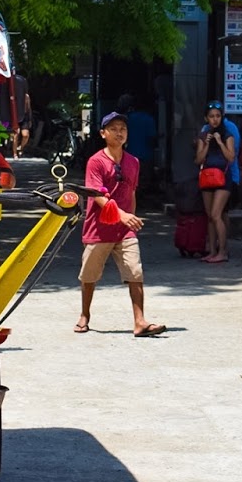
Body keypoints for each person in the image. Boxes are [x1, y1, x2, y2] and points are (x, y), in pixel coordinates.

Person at [76, 111, 164, 337]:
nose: (119, 133)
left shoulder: (133, 162)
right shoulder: (95, 161)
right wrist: (122, 214)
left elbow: (131, 192)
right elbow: (96, 195)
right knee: (89, 275)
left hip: (124, 230)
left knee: (135, 271)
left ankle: (140, 321)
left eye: (123, 129)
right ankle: (85, 314)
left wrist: (129, 219)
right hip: (99, 228)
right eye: (113, 129)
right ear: (103, 133)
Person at [194, 102, 238, 263]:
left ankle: (223, 251)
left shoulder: (227, 135)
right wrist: (206, 144)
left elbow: (231, 157)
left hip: (223, 178)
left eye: (218, 116)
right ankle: (212, 251)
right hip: (207, 177)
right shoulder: (203, 136)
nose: (215, 120)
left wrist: (220, 142)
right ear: (206, 118)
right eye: (211, 116)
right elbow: (198, 159)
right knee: (210, 217)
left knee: (216, 214)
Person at [117, 95, 158, 176]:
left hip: (130, 156)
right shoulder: (149, 119)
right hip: (146, 157)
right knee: (145, 182)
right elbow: (152, 139)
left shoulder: (127, 119)